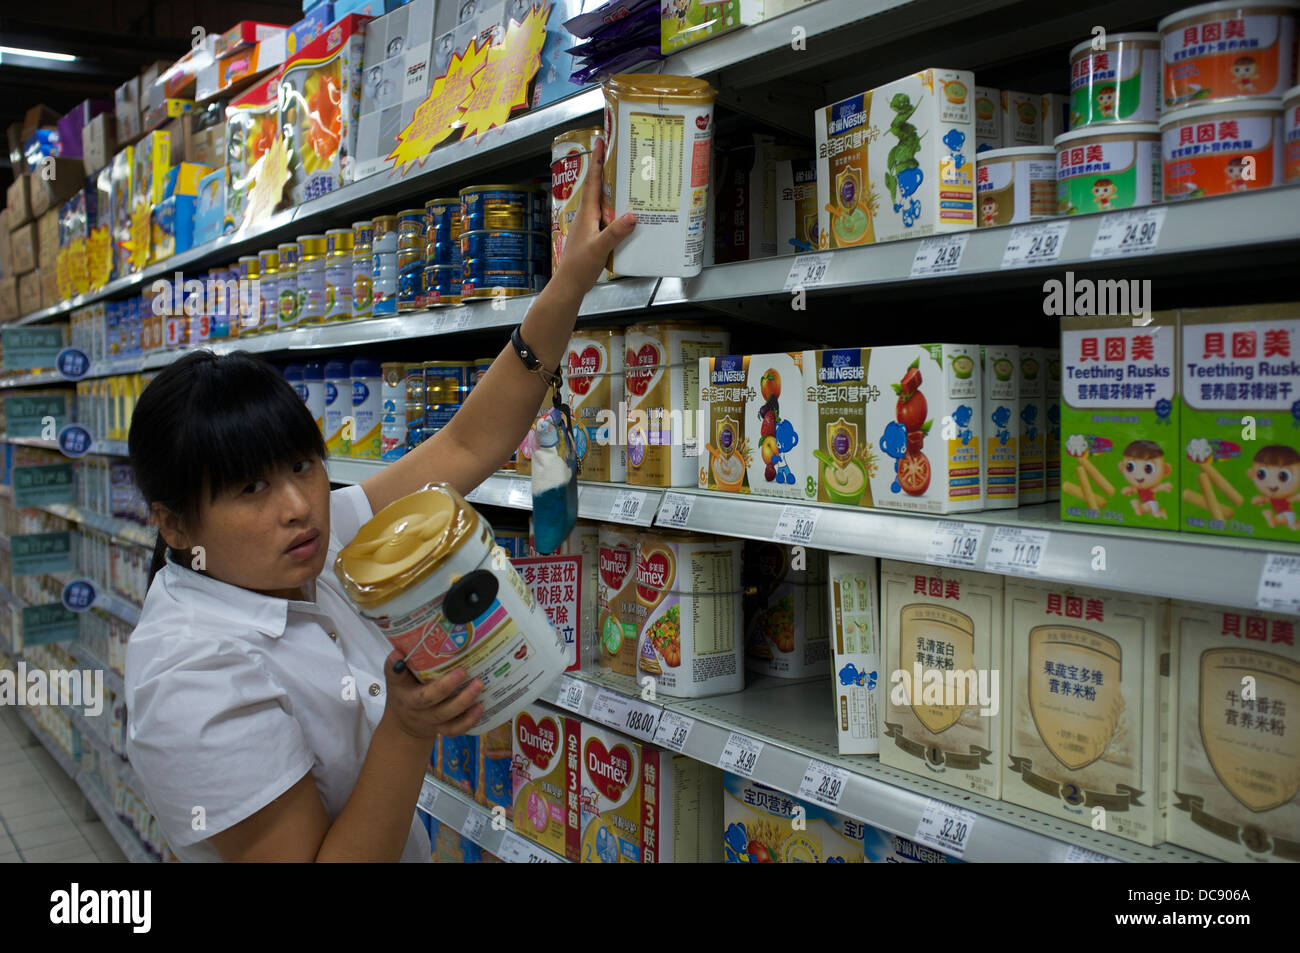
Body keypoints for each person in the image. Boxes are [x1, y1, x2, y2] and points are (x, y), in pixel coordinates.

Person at [125, 140, 635, 862]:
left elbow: (464, 446)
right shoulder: (189, 679)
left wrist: (571, 281)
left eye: (303, 466)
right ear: (175, 523)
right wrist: (405, 728)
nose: (301, 505)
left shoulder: (312, 548)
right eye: (250, 489)